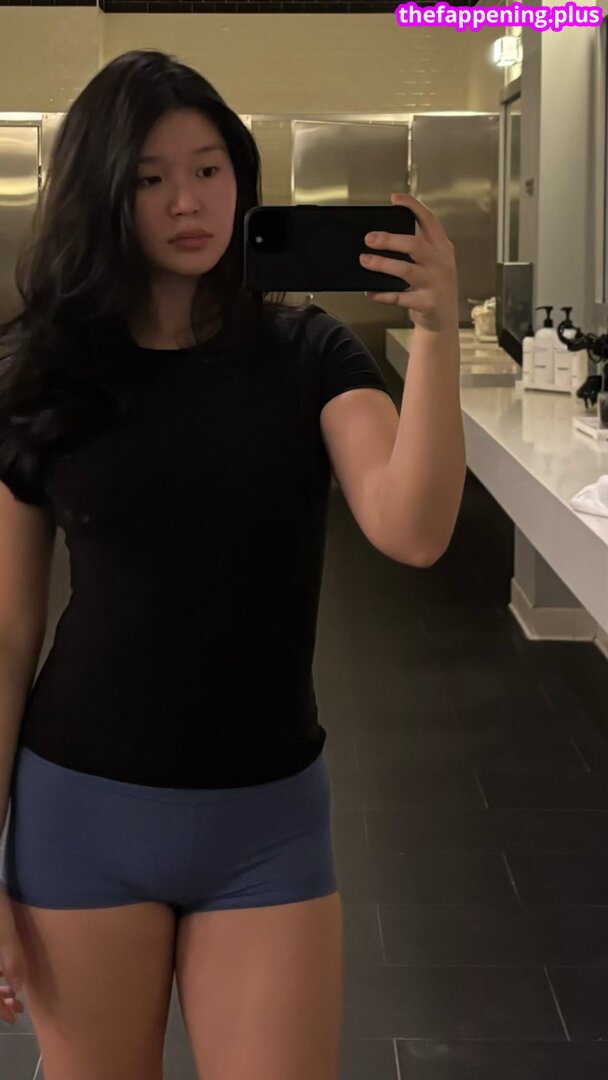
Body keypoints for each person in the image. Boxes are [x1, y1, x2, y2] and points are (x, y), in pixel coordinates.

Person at [0, 48, 463, 1080]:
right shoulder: (42, 373)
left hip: (266, 822)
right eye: (150, 178)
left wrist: (435, 332)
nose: (188, 201)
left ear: (240, 177)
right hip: (80, 811)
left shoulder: (309, 354)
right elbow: (5, 631)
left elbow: (413, 527)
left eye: (208, 169)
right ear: (101, 194)